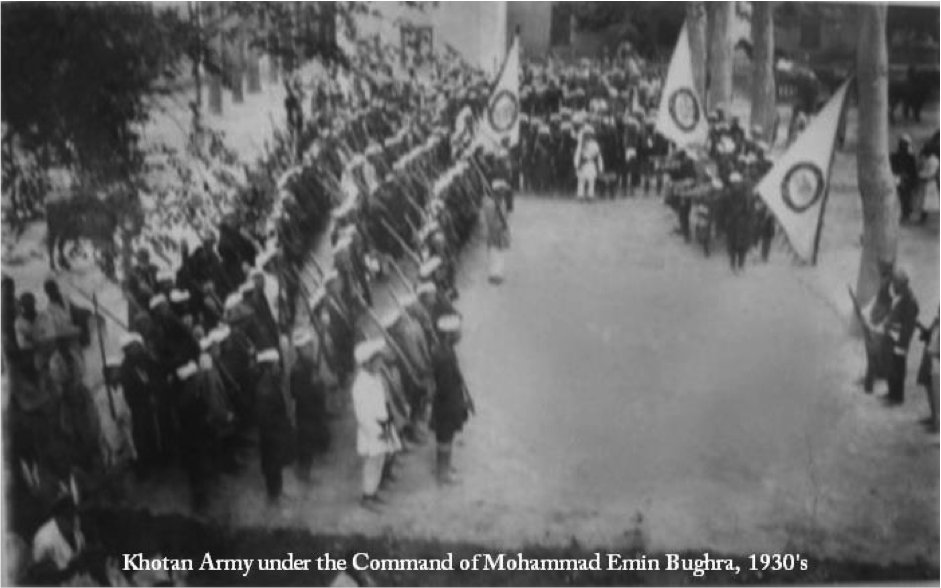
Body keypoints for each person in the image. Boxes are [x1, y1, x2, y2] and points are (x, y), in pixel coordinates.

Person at [350, 339, 400, 510]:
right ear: (368, 362)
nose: (380, 363)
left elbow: (382, 402)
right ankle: (367, 496)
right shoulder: (360, 384)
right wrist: (377, 432)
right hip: (372, 431)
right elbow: (363, 416)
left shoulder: (375, 377)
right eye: (377, 360)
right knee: (372, 464)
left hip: (383, 425)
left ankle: (374, 490)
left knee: (380, 461)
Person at [431, 314, 472, 485]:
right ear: (448, 335)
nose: (459, 334)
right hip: (447, 404)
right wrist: (459, 404)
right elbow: (446, 386)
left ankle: (444, 468)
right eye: (456, 332)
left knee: (445, 437)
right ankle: (443, 473)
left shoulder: (442, 350)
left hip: (444, 402)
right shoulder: (445, 357)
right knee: (445, 438)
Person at [290, 330, 330, 483]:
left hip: (314, 410)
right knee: (305, 443)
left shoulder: (310, 363)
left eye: (311, 345)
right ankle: (303, 471)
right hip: (306, 412)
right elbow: (296, 393)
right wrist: (313, 388)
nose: (311, 348)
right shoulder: (298, 369)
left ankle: (306, 468)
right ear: (300, 349)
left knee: (310, 441)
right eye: (307, 346)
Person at [255, 348, 292, 505]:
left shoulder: (271, 382)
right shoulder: (265, 388)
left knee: (276, 465)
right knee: (272, 466)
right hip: (271, 435)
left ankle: (278, 492)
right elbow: (265, 418)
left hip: (275, 433)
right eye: (276, 364)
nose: (279, 367)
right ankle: (273, 496)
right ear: (269, 366)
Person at [883, 267, 920, 406]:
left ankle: (897, 396)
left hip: (900, 340)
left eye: (896, 283)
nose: (893, 285)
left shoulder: (909, 300)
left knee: (898, 367)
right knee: (892, 366)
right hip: (893, 336)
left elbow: (909, 325)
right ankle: (892, 392)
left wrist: (902, 342)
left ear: (902, 284)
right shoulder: (900, 296)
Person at [483, 181, 511, 284]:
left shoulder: (502, 202)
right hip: (494, 231)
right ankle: (493, 274)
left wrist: (504, 224)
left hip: (500, 232)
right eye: (501, 191)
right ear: (497, 191)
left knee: (500, 252)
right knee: (494, 252)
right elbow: (490, 220)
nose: (503, 193)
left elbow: (504, 215)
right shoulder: (489, 203)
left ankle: (498, 273)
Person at [917, 308, 939, 432]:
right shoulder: (936, 322)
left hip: (936, 361)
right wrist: (920, 327)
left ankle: (937, 423)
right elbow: (928, 335)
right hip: (928, 359)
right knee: (929, 387)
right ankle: (933, 416)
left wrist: (935, 353)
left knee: (937, 393)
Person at [890, 136, 918, 221]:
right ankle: (905, 212)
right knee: (902, 193)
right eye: (903, 145)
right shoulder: (894, 156)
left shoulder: (910, 157)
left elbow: (913, 172)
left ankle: (906, 212)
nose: (904, 148)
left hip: (906, 180)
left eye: (905, 145)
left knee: (906, 194)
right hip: (898, 179)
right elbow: (892, 170)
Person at [911, 143, 939, 224]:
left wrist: (921, 175)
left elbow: (931, 173)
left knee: (927, 202)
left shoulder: (933, 160)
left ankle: (924, 220)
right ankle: (923, 219)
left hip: (929, 183)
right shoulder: (929, 159)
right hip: (926, 182)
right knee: (924, 202)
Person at [574, 125, 603, 201]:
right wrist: (577, 164)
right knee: (581, 180)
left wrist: (600, 167)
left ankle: (590, 195)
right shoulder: (580, 144)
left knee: (591, 180)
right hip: (583, 164)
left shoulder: (595, 144)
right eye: (586, 134)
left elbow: (598, 156)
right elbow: (577, 154)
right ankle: (580, 195)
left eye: (589, 134)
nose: (588, 136)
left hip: (591, 164)